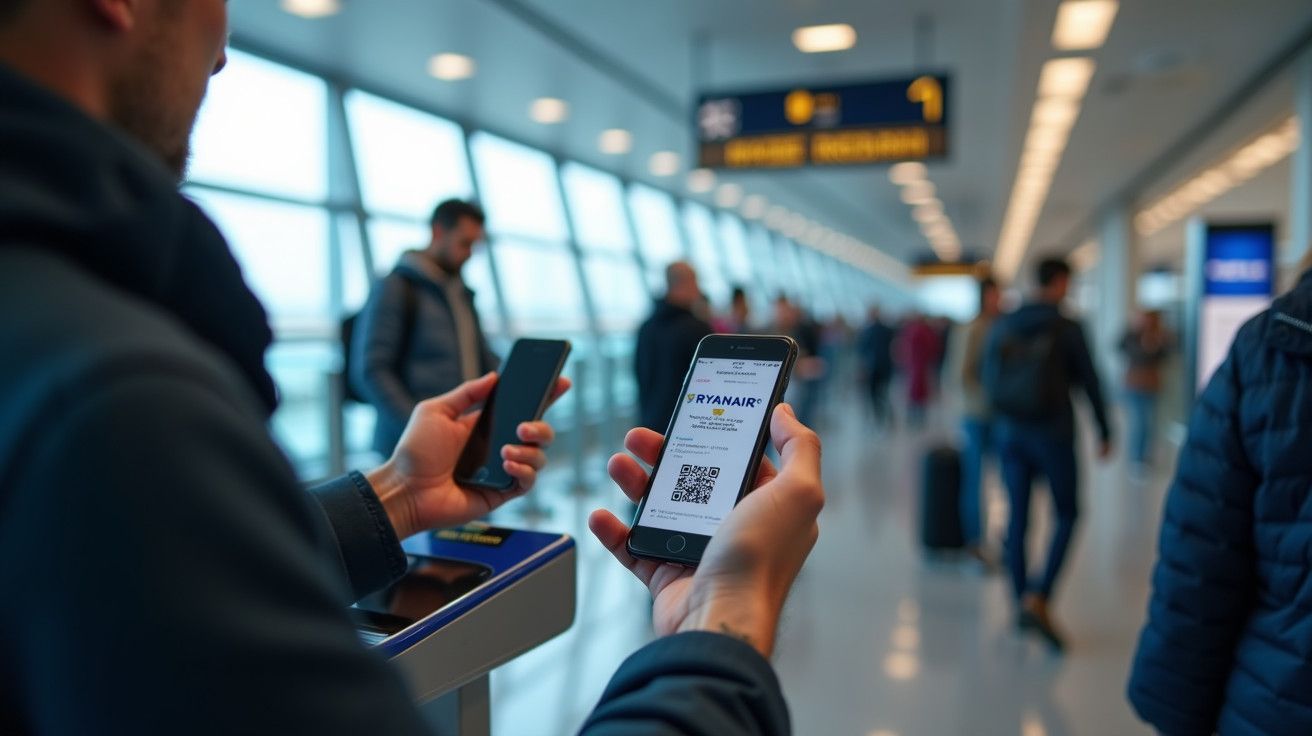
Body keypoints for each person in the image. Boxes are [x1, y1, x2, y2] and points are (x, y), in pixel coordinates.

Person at [0, 2, 824, 733]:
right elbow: (369, 368)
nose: (221, 52)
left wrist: (395, 493)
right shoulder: (120, 401)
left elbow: (163, 587)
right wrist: (726, 616)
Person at [1126, 253, 1312, 736]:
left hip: (1281, 696)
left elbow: (1202, 555)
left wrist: (1174, 707)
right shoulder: (1273, 345)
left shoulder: (1269, 347)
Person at [982, 257, 1112, 650]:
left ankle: (1020, 600)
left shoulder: (1005, 323)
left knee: (1018, 519)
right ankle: (1039, 597)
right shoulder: (1067, 326)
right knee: (1068, 513)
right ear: (1059, 282)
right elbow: (1089, 379)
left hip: (1011, 433)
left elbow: (989, 377)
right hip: (1054, 433)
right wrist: (1105, 429)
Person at [351, 198, 500, 457]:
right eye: (464, 243)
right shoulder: (396, 287)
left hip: (457, 437)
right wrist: (417, 428)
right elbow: (372, 369)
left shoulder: (461, 294)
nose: (469, 254)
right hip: (407, 446)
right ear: (438, 232)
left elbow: (481, 358)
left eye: (475, 246)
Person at [947, 278, 1002, 565]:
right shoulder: (972, 329)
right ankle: (974, 541)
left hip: (998, 414)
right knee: (975, 477)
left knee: (1003, 477)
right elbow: (960, 373)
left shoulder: (998, 326)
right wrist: (987, 397)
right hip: (977, 414)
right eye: (995, 295)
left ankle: (999, 539)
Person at [635, 261, 713, 432]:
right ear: (686, 283)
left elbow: (640, 373)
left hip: (650, 419)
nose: (698, 289)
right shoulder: (697, 330)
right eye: (695, 281)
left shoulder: (646, 327)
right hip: (685, 424)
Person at [1117, 310, 1173, 469]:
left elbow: (1166, 356)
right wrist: (1145, 347)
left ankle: (1144, 456)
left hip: (1152, 385)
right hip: (1134, 384)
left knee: (1150, 423)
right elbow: (1123, 349)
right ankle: (1137, 458)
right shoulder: (1131, 335)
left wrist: (1158, 344)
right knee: (1139, 422)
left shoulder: (1159, 336)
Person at [895, 312, 941, 428]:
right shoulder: (924, 331)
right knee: (917, 391)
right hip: (919, 365)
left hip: (914, 365)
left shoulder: (912, 330)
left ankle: (914, 417)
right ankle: (917, 417)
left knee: (914, 391)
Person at [858, 306, 897, 427]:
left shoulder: (868, 331)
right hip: (884, 366)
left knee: (874, 395)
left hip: (874, 367)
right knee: (882, 393)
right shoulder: (887, 330)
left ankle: (878, 417)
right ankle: (883, 416)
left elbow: (863, 351)